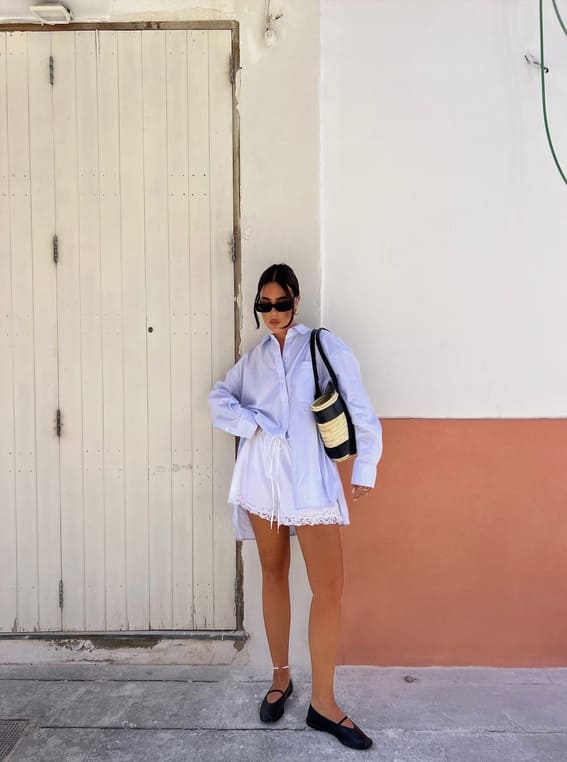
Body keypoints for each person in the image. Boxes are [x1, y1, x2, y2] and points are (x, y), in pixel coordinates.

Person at [208, 263, 382, 751]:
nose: (273, 313)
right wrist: (254, 424)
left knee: (329, 588)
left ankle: (323, 703)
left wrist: (364, 466)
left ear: (296, 302)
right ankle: (279, 676)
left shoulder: (321, 346)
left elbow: (361, 408)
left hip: (309, 480)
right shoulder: (256, 358)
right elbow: (218, 398)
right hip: (264, 478)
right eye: (264, 305)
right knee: (272, 571)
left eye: (281, 303)